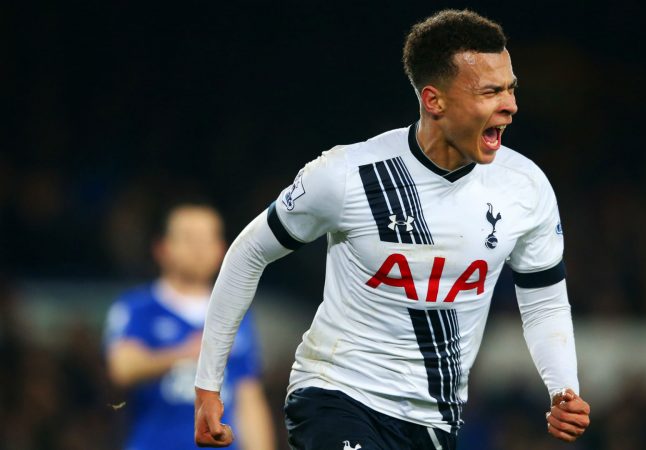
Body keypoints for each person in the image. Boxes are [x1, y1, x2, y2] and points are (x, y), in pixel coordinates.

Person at [195, 9, 590, 449]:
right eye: (490, 92)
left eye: (511, 88)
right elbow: (249, 252)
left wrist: (563, 388)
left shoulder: (525, 186)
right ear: (434, 101)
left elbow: (544, 301)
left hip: (435, 419)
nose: (511, 105)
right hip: (336, 396)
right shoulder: (348, 175)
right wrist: (208, 384)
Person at [104, 203, 276, 450]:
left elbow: (248, 395)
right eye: (189, 239)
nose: (199, 249)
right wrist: (187, 353)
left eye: (207, 239)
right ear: (162, 248)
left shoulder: (237, 314)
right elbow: (122, 367)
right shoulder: (137, 307)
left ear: (222, 249)